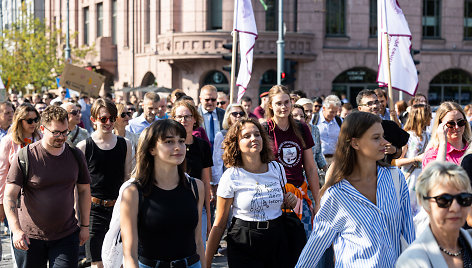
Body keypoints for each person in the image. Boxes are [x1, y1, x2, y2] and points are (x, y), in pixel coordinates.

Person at [296, 111, 415, 267]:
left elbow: (408, 235)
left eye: (383, 136)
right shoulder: (336, 194)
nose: (385, 142)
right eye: (376, 138)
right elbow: (314, 247)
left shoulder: (395, 178)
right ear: (355, 143)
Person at [4, 105, 91, 267]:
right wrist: (16, 230)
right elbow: (9, 195)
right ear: (42, 129)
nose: (61, 137)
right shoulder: (25, 155)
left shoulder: (75, 155)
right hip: (29, 237)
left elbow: (84, 189)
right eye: (56, 132)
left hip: (66, 235)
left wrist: (85, 225)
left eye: (65, 132)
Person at [205, 118, 297, 268]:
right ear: (237, 143)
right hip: (244, 240)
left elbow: (277, 203)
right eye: (247, 136)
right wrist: (206, 262)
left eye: (257, 134)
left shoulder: (277, 168)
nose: (254, 138)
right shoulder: (231, 176)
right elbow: (220, 223)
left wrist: (290, 200)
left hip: (277, 237)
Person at [120, 119, 205, 268]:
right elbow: (129, 254)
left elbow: (198, 241)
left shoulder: (196, 186)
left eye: (181, 141)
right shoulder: (133, 192)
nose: (178, 147)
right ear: (152, 149)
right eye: (169, 142)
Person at [77, 99, 132, 268]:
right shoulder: (84, 146)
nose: (108, 122)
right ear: (93, 119)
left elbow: (127, 179)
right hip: (93, 210)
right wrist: (78, 216)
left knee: (120, 261)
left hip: (118, 209)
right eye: (103, 119)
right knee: (97, 262)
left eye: (112, 118)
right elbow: (78, 186)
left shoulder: (125, 144)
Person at [263, 85, 321, 237]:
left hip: (299, 194)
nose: (284, 107)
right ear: (270, 105)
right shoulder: (264, 129)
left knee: (305, 245)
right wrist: (279, 194)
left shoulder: (302, 128)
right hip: (273, 196)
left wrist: (318, 202)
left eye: (287, 102)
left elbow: (310, 168)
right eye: (278, 103)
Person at [396, 161, 472, 268]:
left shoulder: (468, 243)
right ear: (424, 203)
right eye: (444, 200)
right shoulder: (411, 261)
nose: (455, 208)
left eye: (463, 198)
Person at [172, 100, 212, 242]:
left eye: (188, 116)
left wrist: (208, 217)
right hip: (172, 206)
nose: (184, 120)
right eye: (179, 117)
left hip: (197, 207)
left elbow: (206, 182)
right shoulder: (168, 146)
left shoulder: (202, 146)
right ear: (173, 119)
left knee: (199, 252)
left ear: (195, 119)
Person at [393, 104, 432, 219]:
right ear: (422, 117)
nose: (431, 117)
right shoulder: (407, 136)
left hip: (425, 180)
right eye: (429, 115)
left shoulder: (429, 136)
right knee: (409, 215)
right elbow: (396, 162)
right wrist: (416, 159)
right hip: (410, 180)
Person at [357, 89, 409, 164]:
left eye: (376, 102)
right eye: (369, 103)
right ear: (360, 108)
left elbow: (400, 151)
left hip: (385, 172)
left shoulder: (390, 126)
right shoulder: (354, 128)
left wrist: (394, 150)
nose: (375, 106)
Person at [423, 102, 472, 168]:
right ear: (440, 125)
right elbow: (436, 176)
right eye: (451, 124)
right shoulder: (432, 154)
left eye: (461, 122)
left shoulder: (470, 147)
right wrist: (443, 142)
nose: (456, 127)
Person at [212, 104, 247, 188]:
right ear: (228, 117)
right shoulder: (221, 135)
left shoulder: (249, 134)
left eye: (241, 113)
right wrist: (218, 183)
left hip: (246, 178)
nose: (238, 116)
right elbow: (217, 162)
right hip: (228, 180)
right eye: (234, 114)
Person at [315, 95, 342, 165]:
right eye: (332, 112)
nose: (334, 115)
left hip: (335, 160)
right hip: (318, 160)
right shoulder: (314, 120)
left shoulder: (339, 121)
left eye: (336, 112)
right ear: (324, 108)